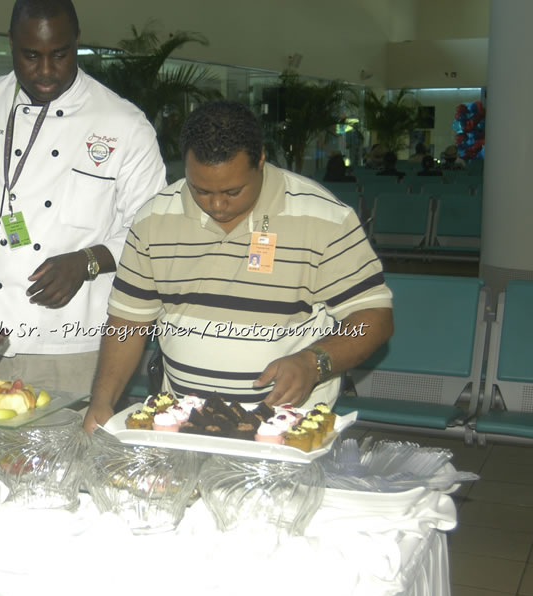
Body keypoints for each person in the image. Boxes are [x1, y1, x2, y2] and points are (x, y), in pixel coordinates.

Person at [84, 101, 394, 432]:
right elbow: (129, 321)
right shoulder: (154, 220)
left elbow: (374, 317)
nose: (217, 205)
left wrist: (314, 362)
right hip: (183, 426)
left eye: (233, 191)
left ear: (260, 160)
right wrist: (102, 402)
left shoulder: (324, 218)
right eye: (200, 190)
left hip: (286, 430)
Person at [0, 0, 166, 393]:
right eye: (31, 56)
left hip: (71, 345)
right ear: (11, 43)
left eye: (60, 54)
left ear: (77, 42)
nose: (47, 71)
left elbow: (151, 233)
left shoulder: (124, 124)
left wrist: (86, 261)